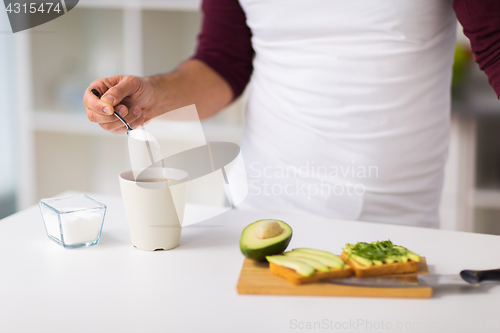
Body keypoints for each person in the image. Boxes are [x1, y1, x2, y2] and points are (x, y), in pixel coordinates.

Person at [83, 0, 500, 228]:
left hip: (394, 220)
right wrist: (152, 96)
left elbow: (496, 48)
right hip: (262, 207)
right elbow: (222, 62)